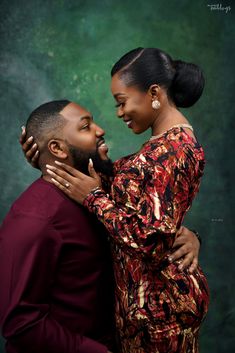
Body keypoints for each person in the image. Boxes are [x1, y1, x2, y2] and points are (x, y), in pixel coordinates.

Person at [43, 48, 210, 353]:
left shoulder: (172, 152)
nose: (119, 113)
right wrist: (47, 158)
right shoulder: (161, 148)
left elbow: (152, 240)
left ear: (154, 93)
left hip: (162, 311)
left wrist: (93, 198)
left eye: (122, 102)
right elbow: (142, 204)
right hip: (147, 307)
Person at [0, 100, 117, 353]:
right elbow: (21, 323)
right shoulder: (34, 219)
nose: (100, 130)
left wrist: (187, 236)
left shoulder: (100, 195)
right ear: (57, 148)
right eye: (86, 127)